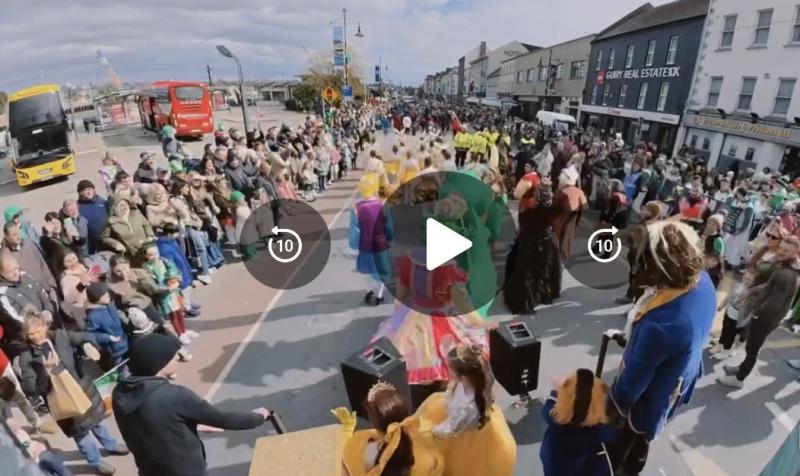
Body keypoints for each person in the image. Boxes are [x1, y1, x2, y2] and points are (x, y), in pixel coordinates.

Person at [607, 221, 717, 474]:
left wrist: (609, 407)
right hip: (678, 377)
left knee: (625, 450)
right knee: (644, 439)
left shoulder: (661, 326)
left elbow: (631, 386)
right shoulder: (703, 281)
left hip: (650, 396)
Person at [113, 333, 270, 476]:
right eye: (175, 356)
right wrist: (257, 417)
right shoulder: (173, 396)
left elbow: (147, 423)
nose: (178, 359)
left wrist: (189, 424)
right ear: (161, 362)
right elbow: (222, 419)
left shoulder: (120, 392)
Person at [18, 308, 128, 475]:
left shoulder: (60, 336)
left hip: (83, 389)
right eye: (31, 334)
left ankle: (111, 445)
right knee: (82, 436)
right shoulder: (27, 357)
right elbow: (30, 387)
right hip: (62, 401)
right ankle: (96, 462)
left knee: (97, 422)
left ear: (45, 327)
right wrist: (45, 373)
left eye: (38, 331)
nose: (36, 336)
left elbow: (82, 337)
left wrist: (96, 342)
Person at [415, 344, 516, 476]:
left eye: (450, 370)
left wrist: (428, 432)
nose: (448, 372)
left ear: (462, 377)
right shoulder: (477, 379)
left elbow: (450, 429)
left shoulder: (467, 407)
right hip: (461, 417)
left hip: (462, 436)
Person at [718, 236, 800, 389]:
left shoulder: (786, 275)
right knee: (751, 347)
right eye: (781, 248)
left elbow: (774, 304)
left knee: (753, 349)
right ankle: (742, 368)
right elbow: (768, 286)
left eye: (786, 251)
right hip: (767, 317)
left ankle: (739, 379)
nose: (781, 252)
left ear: (797, 253)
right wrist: (751, 292)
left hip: (765, 319)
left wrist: (756, 312)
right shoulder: (787, 269)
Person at [336, 382, 443, 476]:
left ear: (374, 421)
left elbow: (346, 466)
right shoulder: (427, 451)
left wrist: (347, 431)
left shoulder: (357, 444)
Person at [540, 369, 615, 476]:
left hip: (554, 468)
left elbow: (546, 408)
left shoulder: (556, 418)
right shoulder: (598, 430)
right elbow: (611, 436)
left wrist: (557, 390)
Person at [504, 177, 561, 315]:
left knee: (525, 273)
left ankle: (525, 301)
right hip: (547, 244)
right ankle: (542, 294)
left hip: (529, 244)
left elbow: (522, 227)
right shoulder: (553, 212)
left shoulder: (529, 213)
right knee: (543, 271)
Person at [0, 253, 56, 358]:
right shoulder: (3, 293)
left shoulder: (25, 276)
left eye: (16, 268)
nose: (16, 273)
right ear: (2, 273)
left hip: (50, 328)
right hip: (33, 340)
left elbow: (42, 294)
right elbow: (17, 319)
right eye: (11, 272)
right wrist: (40, 324)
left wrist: (48, 311)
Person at [349, 174, 393, 306]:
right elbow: (389, 226)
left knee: (366, 270)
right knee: (381, 271)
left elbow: (354, 230)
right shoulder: (383, 206)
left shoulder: (356, 208)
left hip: (364, 244)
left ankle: (369, 292)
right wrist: (389, 239)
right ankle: (379, 296)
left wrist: (354, 245)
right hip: (380, 244)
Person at [84, 282, 129, 369]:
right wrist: (107, 338)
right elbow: (91, 335)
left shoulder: (110, 305)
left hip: (126, 342)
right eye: (103, 295)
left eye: (106, 293)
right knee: (124, 372)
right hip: (116, 351)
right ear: (97, 299)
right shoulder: (93, 316)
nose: (107, 295)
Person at [2, 221, 57, 292]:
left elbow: (43, 265)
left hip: (46, 288)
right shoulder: (6, 255)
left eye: (18, 233)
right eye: (14, 235)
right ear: (7, 237)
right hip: (30, 294)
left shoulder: (29, 244)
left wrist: (52, 284)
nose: (18, 236)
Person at [100, 197, 155, 263]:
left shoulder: (136, 213)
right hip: (131, 254)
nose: (125, 207)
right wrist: (116, 244)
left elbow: (146, 224)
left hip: (147, 249)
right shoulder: (111, 222)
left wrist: (150, 236)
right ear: (115, 208)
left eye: (126, 204)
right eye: (122, 205)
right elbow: (104, 237)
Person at [552, 166, 587, 261]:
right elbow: (584, 206)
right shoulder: (579, 191)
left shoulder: (561, 191)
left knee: (558, 235)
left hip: (561, 216)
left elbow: (554, 205)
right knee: (567, 236)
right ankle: (563, 256)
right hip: (573, 217)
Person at [60, 251, 100, 329]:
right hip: (84, 312)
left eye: (74, 258)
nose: (73, 263)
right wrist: (81, 286)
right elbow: (69, 299)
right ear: (63, 265)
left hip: (98, 306)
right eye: (68, 261)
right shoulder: (66, 279)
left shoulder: (86, 268)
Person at [77, 180, 110, 255]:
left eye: (90, 189)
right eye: (86, 190)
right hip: (94, 246)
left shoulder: (101, 201)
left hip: (110, 239)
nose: (89, 192)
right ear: (80, 193)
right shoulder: (78, 207)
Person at [702, 214, 725, 288]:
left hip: (712, 267)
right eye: (709, 223)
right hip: (704, 263)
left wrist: (721, 270)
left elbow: (720, 256)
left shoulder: (718, 240)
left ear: (718, 227)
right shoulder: (705, 235)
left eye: (713, 224)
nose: (710, 225)